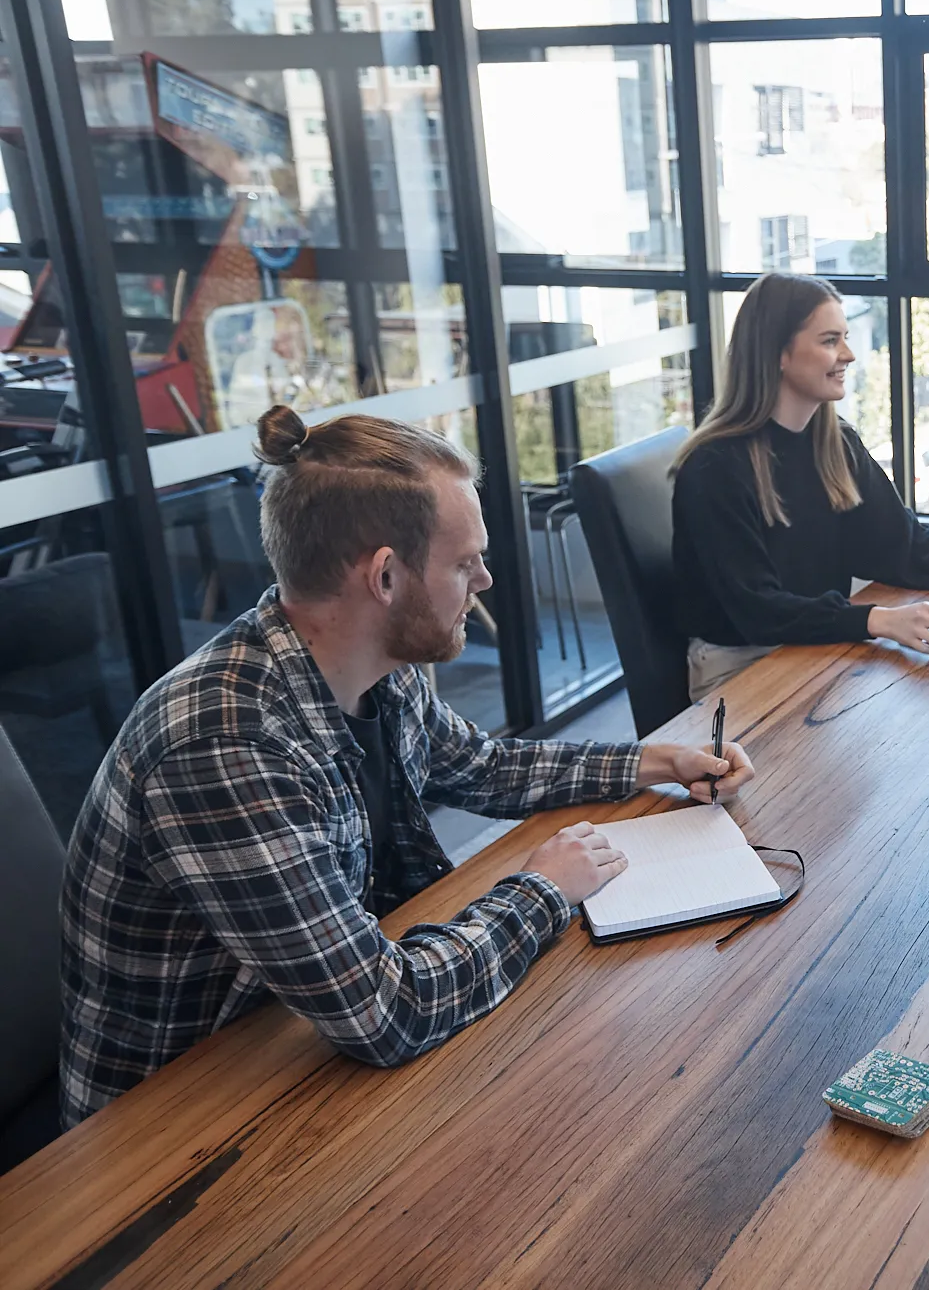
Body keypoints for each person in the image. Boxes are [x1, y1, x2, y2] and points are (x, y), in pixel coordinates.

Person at [59, 406, 755, 1128]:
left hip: (300, 1038)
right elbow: (387, 1012)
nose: (485, 579)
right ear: (385, 576)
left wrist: (655, 760)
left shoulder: (381, 665)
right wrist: (544, 889)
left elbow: (481, 768)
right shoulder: (225, 745)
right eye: (463, 562)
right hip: (178, 1127)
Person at [672, 273, 929, 698]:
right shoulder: (714, 468)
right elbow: (758, 610)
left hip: (819, 643)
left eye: (844, 338)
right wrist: (877, 620)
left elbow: (898, 541)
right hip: (741, 666)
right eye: (829, 341)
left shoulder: (834, 443)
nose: (848, 354)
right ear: (777, 354)